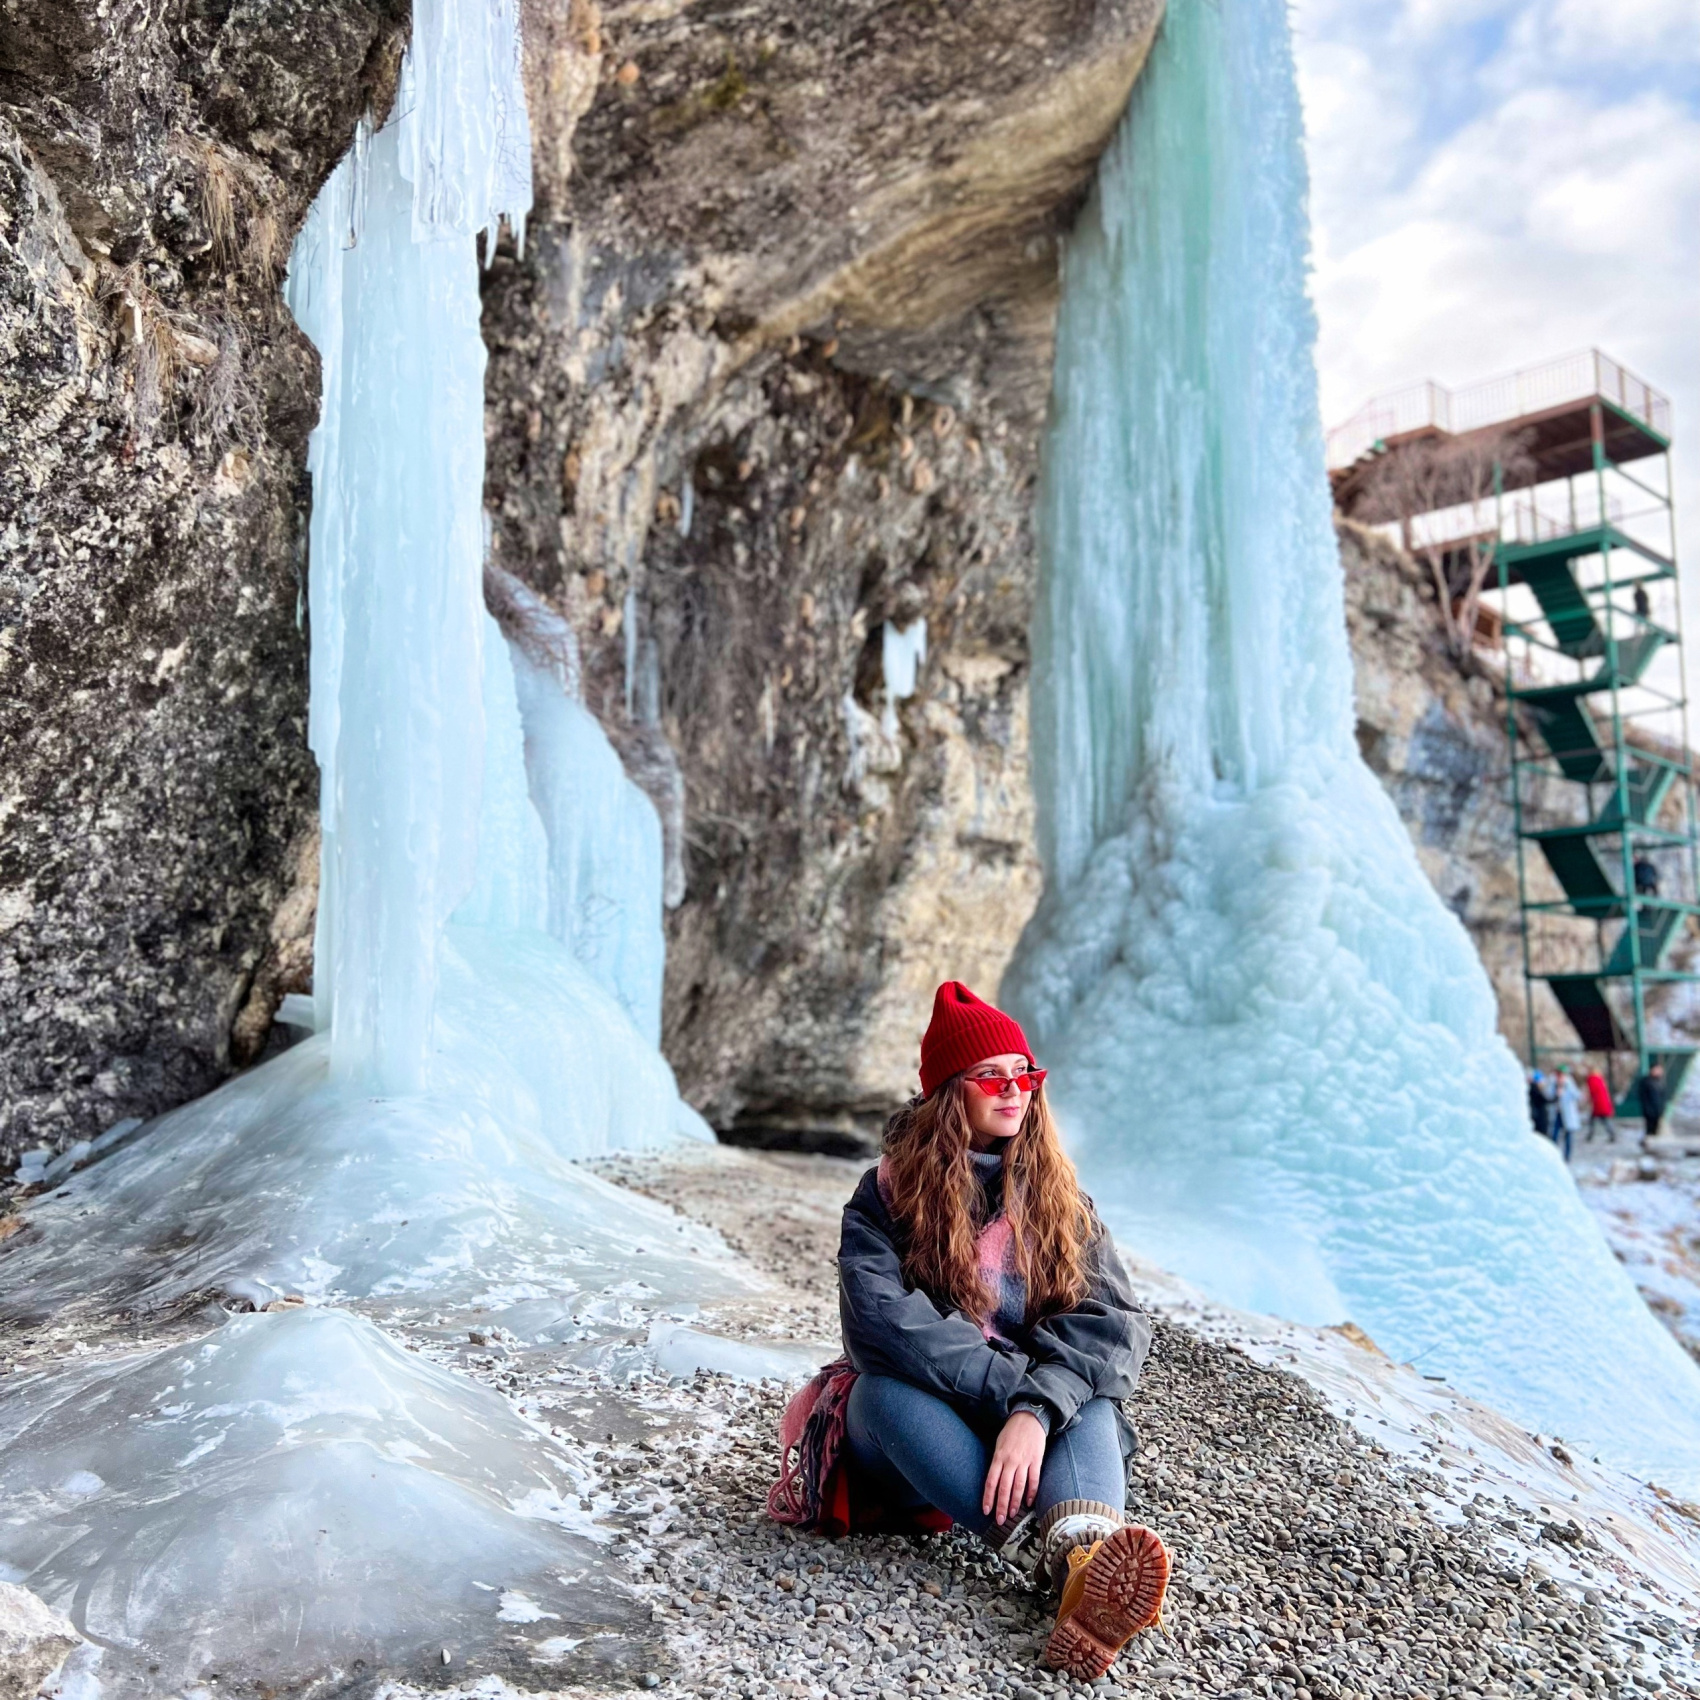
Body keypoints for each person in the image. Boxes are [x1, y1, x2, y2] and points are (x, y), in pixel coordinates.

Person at [772, 981, 1168, 1681]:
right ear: (949, 1089)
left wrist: (1041, 1407)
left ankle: (1082, 1565)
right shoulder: (885, 1194)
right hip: (918, 1440)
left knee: (1090, 1392)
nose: (1014, 1091)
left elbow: (1114, 1326)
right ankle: (1038, 1548)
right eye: (991, 1076)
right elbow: (880, 1326)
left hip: (1013, 1434)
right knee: (877, 1394)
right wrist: (1023, 1400)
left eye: (1025, 1075)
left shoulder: (1061, 1199)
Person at [1554, 1068, 1581, 1162]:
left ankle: (1567, 1156)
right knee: (1554, 1135)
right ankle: (1554, 1155)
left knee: (1568, 1136)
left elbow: (1577, 1095)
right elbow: (1548, 1095)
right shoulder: (1553, 1083)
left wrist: (1565, 1091)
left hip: (1568, 1114)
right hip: (1557, 1113)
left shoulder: (1570, 1084)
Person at [1638, 1062, 1667, 1146]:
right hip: (1650, 1110)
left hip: (1658, 1110)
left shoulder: (1660, 1082)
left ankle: (1653, 1144)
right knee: (1649, 1129)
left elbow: (1663, 1097)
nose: (1659, 1072)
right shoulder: (1646, 1081)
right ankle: (1647, 1144)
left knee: (1656, 1129)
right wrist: (1647, 1109)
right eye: (1657, 1070)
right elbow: (1643, 1097)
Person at [1584, 1068, 1615, 1142]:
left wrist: (1590, 1099)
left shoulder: (1591, 1080)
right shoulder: (1600, 1079)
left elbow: (1592, 1091)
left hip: (1598, 1104)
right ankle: (1611, 1134)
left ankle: (1591, 1135)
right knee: (1602, 1120)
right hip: (1602, 1103)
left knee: (1598, 1120)